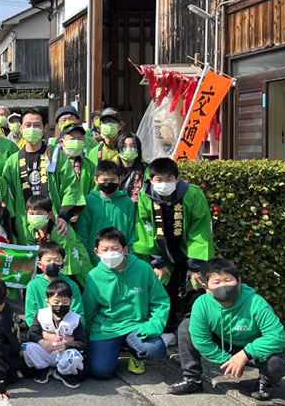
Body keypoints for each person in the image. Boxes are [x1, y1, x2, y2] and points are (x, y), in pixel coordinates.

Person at [168, 259, 285, 400]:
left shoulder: (256, 302)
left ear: (238, 281)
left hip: (253, 350)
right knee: (186, 327)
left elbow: (277, 336)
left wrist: (245, 355)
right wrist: (228, 362)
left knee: (278, 364)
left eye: (228, 280)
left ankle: (265, 382)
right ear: (205, 287)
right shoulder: (201, 304)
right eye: (217, 282)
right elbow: (201, 340)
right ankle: (192, 379)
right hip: (224, 345)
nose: (223, 286)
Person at [134, 156, 214, 339]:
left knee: (196, 286)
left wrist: (195, 265)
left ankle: (196, 332)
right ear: (151, 180)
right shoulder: (145, 197)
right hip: (162, 252)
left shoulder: (192, 194)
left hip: (189, 251)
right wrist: (157, 262)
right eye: (159, 180)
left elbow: (200, 228)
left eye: (168, 179)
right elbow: (144, 228)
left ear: (177, 179)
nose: (164, 184)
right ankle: (168, 328)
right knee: (163, 288)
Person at [83, 227, 169, 379]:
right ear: (97, 252)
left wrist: (154, 326)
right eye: (105, 249)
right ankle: (110, 351)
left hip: (136, 325)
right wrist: (83, 337)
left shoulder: (143, 269)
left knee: (155, 349)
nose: (110, 253)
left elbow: (160, 301)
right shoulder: (94, 276)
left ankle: (136, 354)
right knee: (100, 372)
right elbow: (88, 309)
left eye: (115, 248)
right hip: (106, 328)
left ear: (125, 250)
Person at [2, 107, 85, 234]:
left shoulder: (56, 156)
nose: (32, 129)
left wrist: (63, 217)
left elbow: (70, 189)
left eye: (36, 125)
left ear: (45, 128)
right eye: (28, 125)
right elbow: (7, 196)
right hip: (24, 228)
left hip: (55, 224)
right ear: (21, 128)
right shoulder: (12, 162)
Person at [24, 279, 87, 388]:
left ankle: (63, 373)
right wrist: (41, 341)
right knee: (27, 347)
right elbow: (31, 333)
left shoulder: (75, 319)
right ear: (48, 302)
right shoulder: (41, 314)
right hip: (47, 350)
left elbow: (82, 342)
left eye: (65, 302)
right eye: (56, 302)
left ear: (71, 302)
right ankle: (44, 368)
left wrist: (66, 345)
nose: (61, 305)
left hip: (64, 353)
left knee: (74, 355)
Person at [76, 160, 137, 267]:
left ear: (119, 179)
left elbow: (132, 232)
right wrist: (86, 259)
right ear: (96, 180)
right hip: (95, 260)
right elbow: (82, 234)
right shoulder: (89, 202)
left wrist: (130, 257)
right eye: (104, 180)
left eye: (112, 180)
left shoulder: (127, 203)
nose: (108, 183)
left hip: (122, 258)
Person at [20, 195, 91, 283]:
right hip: (47, 266)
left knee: (83, 281)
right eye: (31, 214)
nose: (35, 217)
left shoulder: (59, 228)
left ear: (49, 215)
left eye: (39, 214)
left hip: (68, 262)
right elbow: (31, 250)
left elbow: (67, 254)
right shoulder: (30, 229)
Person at [24, 242, 85, 326]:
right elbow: (30, 316)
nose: (53, 264)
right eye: (48, 260)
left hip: (68, 330)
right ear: (39, 264)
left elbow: (78, 313)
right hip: (42, 332)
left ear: (63, 264)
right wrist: (44, 333)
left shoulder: (72, 285)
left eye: (57, 260)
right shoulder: (33, 285)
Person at [57, 123, 95, 197]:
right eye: (72, 139)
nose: (76, 142)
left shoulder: (89, 165)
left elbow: (94, 188)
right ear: (62, 142)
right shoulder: (54, 163)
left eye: (79, 139)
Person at [116, 132, 148, 204]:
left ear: (138, 150)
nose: (128, 149)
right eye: (124, 146)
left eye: (132, 146)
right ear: (117, 150)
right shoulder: (112, 170)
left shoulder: (145, 170)